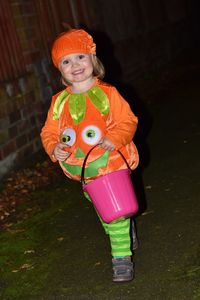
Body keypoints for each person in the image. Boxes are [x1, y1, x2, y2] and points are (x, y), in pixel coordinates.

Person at [40, 29, 139, 282]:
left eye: (80, 57)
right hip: (82, 171)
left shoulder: (108, 94)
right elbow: (49, 131)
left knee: (115, 214)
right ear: (59, 70)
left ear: (93, 59)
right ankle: (123, 231)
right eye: (66, 61)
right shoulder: (59, 102)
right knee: (106, 213)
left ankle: (121, 258)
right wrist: (53, 147)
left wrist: (113, 138)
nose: (75, 65)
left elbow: (127, 121)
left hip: (111, 163)